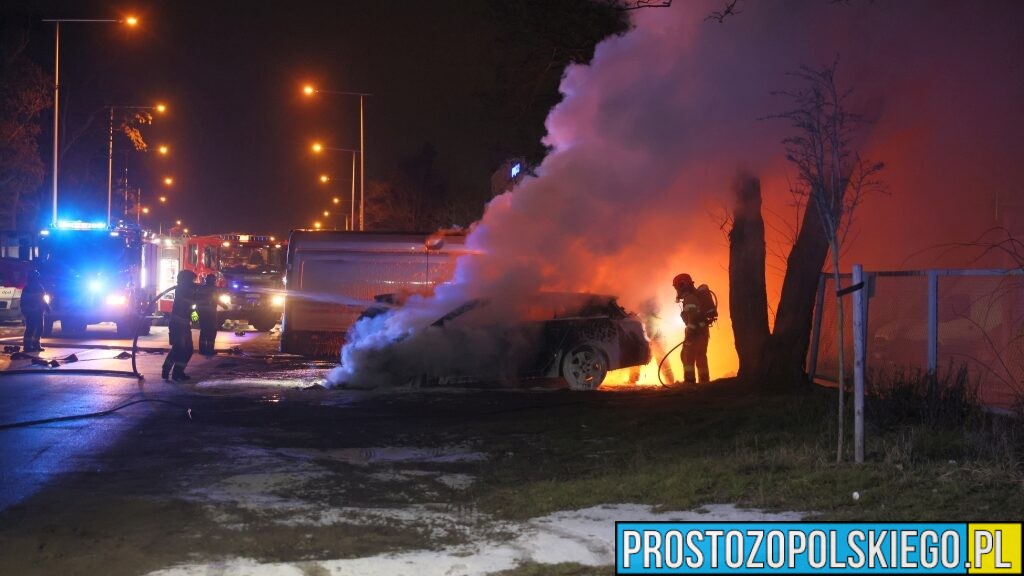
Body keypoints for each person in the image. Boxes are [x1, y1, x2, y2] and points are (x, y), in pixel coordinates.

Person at [673, 273, 715, 385]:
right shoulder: (696, 295)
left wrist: (690, 332)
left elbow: (693, 317)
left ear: (682, 285)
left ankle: (689, 382)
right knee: (701, 356)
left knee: (687, 357)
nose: (677, 290)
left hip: (694, 333)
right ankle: (704, 381)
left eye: (677, 287)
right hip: (703, 331)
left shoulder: (690, 298)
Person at [162, 270, 197, 381]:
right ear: (186, 280)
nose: (193, 282)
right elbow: (187, 302)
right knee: (180, 349)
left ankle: (177, 371)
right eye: (192, 280)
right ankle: (170, 370)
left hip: (184, 324)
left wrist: (194, 316)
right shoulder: (182, 289)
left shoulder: (187, 289)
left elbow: (191, 307)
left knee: (187, 349)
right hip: (177, 324)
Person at [20, 270, 48, 353]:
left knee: (40, 328)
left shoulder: (40, 287)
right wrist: (28, 308)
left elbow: (43, 298)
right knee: (30, 329)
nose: (35, 279)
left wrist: (46, 307)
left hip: (38, 311)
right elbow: (24, 301)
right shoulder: (27, 288)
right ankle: (27, 346)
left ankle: (36, 344)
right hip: (30, 312)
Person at [195, 274, 220, 356]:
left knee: (204, 331)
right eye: (214, 280)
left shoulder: (201, 288)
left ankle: (202, 350)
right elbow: (215, 299)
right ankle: (210, 349)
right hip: (210, 313)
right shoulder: (213, 289)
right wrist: (224, 305)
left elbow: (197, 299)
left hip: (202, 313)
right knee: (212, 331)